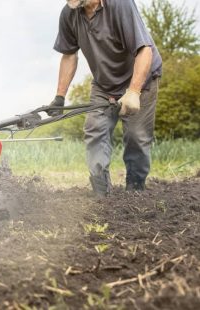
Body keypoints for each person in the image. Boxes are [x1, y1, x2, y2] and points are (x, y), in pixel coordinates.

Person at [49, 0, 162, 197]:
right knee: (95, 131)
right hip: (103, 84)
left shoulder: (120, 4)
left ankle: (135, 193)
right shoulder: (69, 13)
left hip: (140, 79)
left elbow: (145, 50)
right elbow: (69, 55)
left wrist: (134, 91)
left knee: (136, 136)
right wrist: (60, 97)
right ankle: (102, 195)